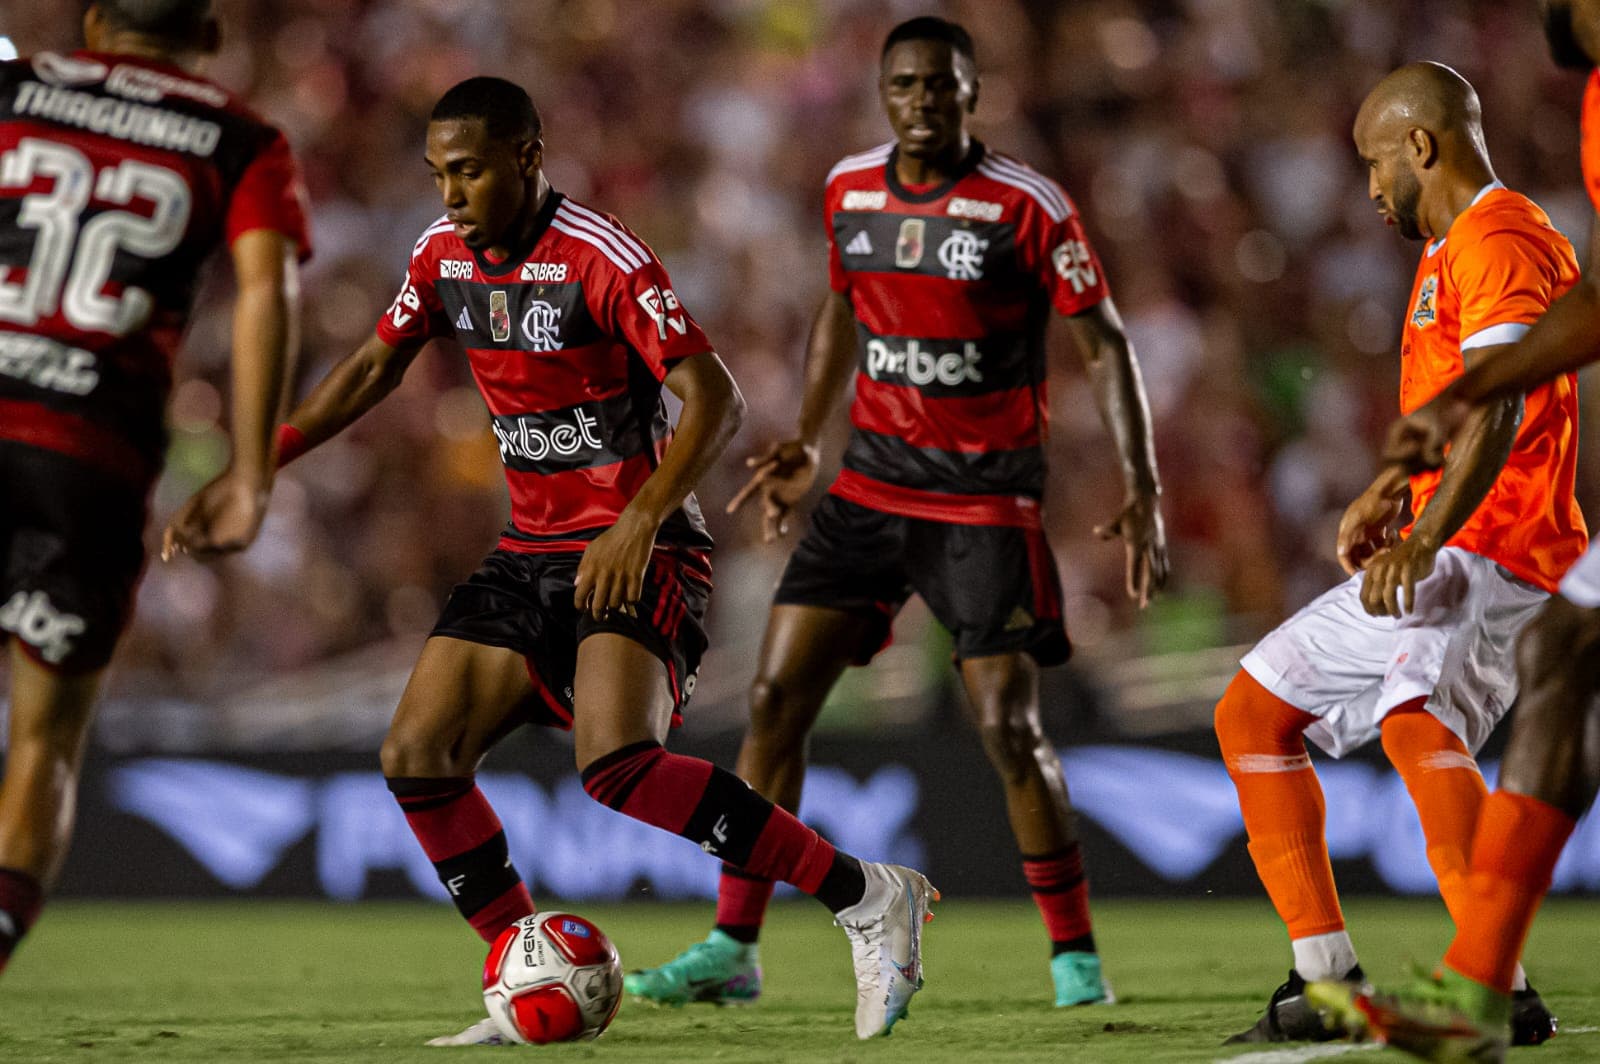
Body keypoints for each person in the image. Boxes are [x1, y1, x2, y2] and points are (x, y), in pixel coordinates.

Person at [261, 75, 936, 1044]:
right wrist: (261, 460)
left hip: (640, 545)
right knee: (417, 756)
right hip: (529, 549)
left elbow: (717, 398)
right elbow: (374, 364)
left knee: (616, 762)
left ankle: (869, 896)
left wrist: (638, 521)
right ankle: (518, 970)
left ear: (528, 157)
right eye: (439, 174)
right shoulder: (440, 254)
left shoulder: (599, 255)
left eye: (469, 171)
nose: (450, 194)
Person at [625, 15, 1167, 1011]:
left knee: (1006, 723)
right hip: (870, 487)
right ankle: (734, 945)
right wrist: (806, 433)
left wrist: (1144, 485)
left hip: (983, 500)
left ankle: (1076, 957)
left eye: (941, 84)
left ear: (972, 92)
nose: (923, 101)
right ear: (884, 94)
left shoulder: (1026, 204)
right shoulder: (850, 188)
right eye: (905, 85)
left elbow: (1103, 340)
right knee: (774, 698)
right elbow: (841, 305)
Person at [1212, 62, 1581, 1046]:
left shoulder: (1501, 236)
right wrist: (1391, 489)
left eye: (1375, 163)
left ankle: (1495, 984)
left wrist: (1423, 535)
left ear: (1420, 146)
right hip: (1457, 536)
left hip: (1496, 545)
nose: (1371, 187)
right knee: (1254, 709)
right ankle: (1323, 982)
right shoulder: (1448, 248)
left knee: (1418, 720)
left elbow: (1498, 404)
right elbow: (1458, 404)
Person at [1307, 5, 1600, 1061]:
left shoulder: (1499, 228)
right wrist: (1463, 402)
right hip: (1503, 535)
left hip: (1510, 536)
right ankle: (1481, 992)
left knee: (1473, 696)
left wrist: (1470, 412)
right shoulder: (1596, 108)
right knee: (1563, 661)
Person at [0, 0, 308, 975]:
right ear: (209, 37)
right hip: (85, 455)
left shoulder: (15, 90)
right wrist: (250, 471)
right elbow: (267, 289)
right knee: (43, 740)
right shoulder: (240, 138)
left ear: (95, 21)